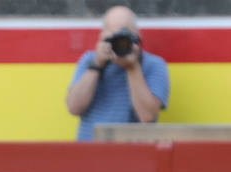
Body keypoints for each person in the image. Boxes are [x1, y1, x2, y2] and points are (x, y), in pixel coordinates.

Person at [65, 5, 170, 141]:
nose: (120, 42)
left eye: (125, 35)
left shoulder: (154, 65)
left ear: (138, 36)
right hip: (90, 152)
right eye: (114, 36)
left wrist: (132, 68)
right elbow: (74, 107)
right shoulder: (90, 60)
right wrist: (97, 66)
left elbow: (147, 117)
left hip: (133, 154)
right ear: (102, 37)